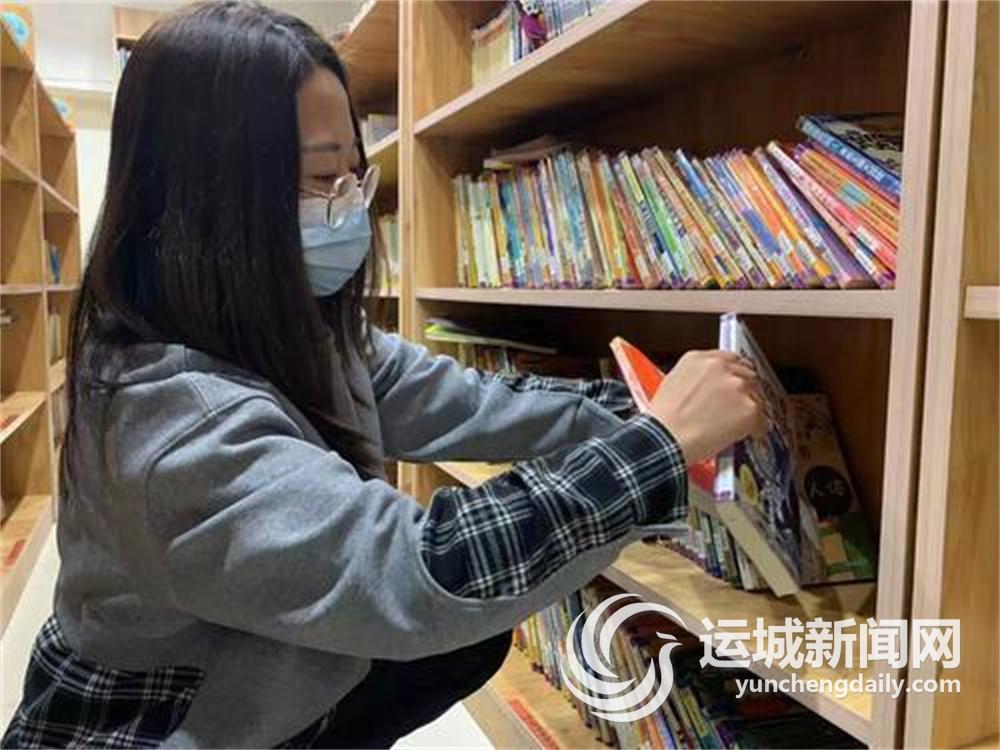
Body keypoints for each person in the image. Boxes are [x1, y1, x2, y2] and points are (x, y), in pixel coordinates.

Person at [1, 3, 764, 748]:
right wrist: (657, 446)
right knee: (457, 619)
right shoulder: (170, 421)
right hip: (155, 724)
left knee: (467, 640)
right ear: (208, 197)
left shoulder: (285, 325)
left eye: (354, 177)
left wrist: (639, 404)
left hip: (258, 671)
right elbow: (419, 574)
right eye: (320, 178)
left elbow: (470, 400)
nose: (348, 210)